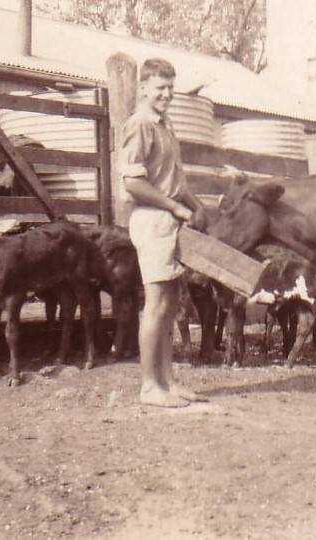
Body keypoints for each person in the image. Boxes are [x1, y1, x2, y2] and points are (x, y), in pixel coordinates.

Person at [120, 58, 209, 408]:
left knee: (171, 304)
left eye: (171, 88)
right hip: (153, 221)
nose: (167, 94)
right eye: (160, 88)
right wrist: (175, 207)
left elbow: (176, 183)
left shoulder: (165, 125)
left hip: (170, 220)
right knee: (156, 304)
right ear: (143, 88)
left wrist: (197, 207)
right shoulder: (139, 125)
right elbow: (133, 183)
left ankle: (169, 381)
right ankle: (148, 386)